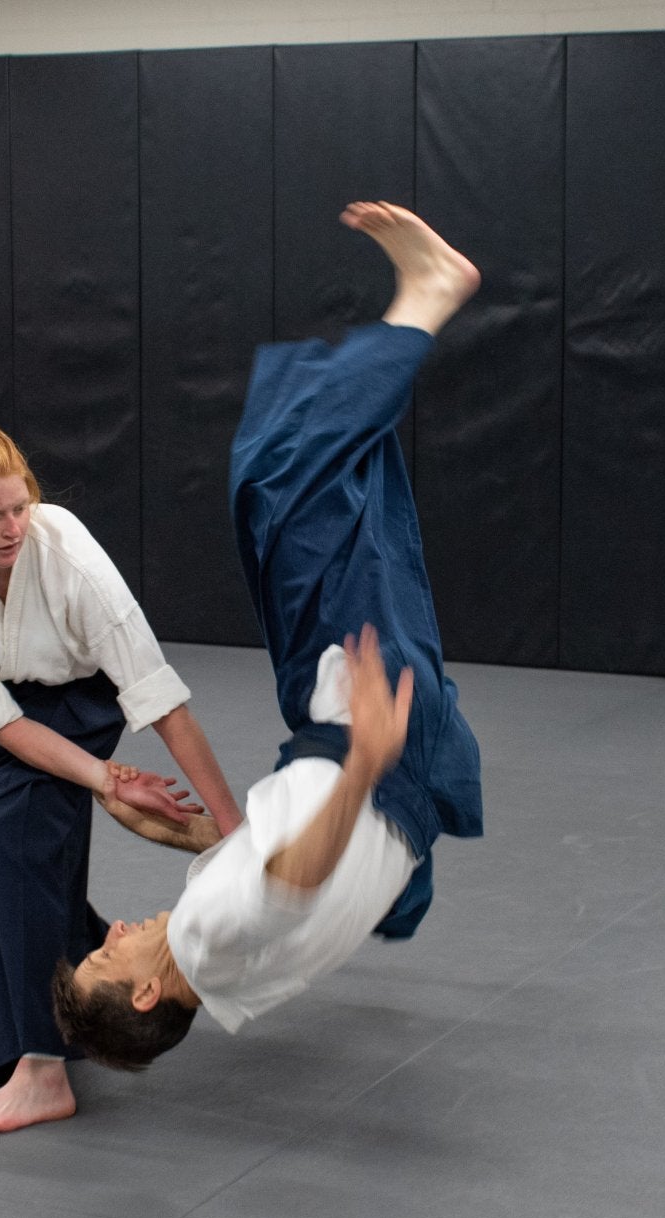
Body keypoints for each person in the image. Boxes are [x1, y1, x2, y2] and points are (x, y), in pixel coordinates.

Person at [52, 202, 483, 1067]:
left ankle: (419, 307)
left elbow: (273, 879)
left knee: (331, 496)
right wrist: (364, 758)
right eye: (111, 950)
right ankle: (432, 295)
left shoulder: (233, 984)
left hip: (408, 765)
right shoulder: (210, 934)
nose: (119, 928)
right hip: (364, 724)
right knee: (281, 480)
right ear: (143, 992)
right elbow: (296, 877)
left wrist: (180, 831)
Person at [0, 423, 243, 1133]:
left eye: (22, 506)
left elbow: (160, 701)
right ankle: (61, 979)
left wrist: (234, 832)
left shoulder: (63, 547)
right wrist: (105, 780)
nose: (15, 527)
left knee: (13, 836)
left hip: (77, 697)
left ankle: (39, 1062)